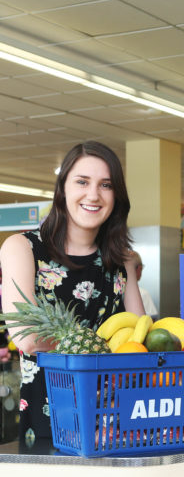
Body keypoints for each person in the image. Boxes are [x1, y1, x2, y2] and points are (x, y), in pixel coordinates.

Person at [0, 141, 145, 444]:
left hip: (116, 418)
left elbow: (139, 342)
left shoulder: (124, 260)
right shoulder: (23, 249)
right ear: (62, 188)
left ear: (116, 195)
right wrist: (104, 346)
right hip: (50, 413)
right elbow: (27, 337)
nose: (93, 195)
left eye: (105, 185)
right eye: (82, 181)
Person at [131, 250, 159, 320]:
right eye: (141, 268)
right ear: (139, 268)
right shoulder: (143, 294)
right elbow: (152, 319)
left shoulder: (114, 293)